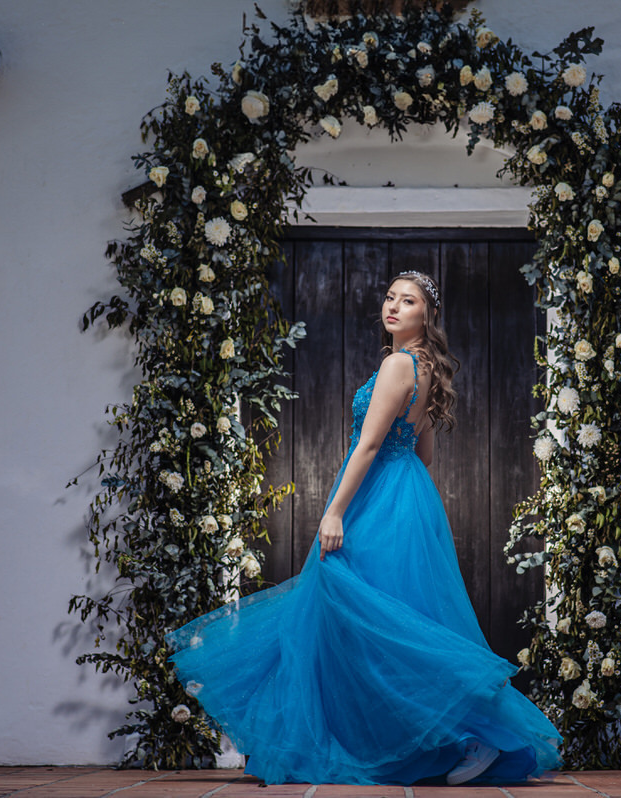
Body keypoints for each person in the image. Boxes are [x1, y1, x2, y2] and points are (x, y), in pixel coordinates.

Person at [166, 271, 561, 785]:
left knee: (362, 611)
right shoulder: (427, 367)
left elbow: (369, 446)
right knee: (396, 616)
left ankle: (474, 735)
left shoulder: (398, 363)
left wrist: (335, 511)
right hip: (409, 495)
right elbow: (423, 451)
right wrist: (406, 499)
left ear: (427, 315)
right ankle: (458, 735)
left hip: (381, 495)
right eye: (391, 297)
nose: (394, 306)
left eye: (409, 301)